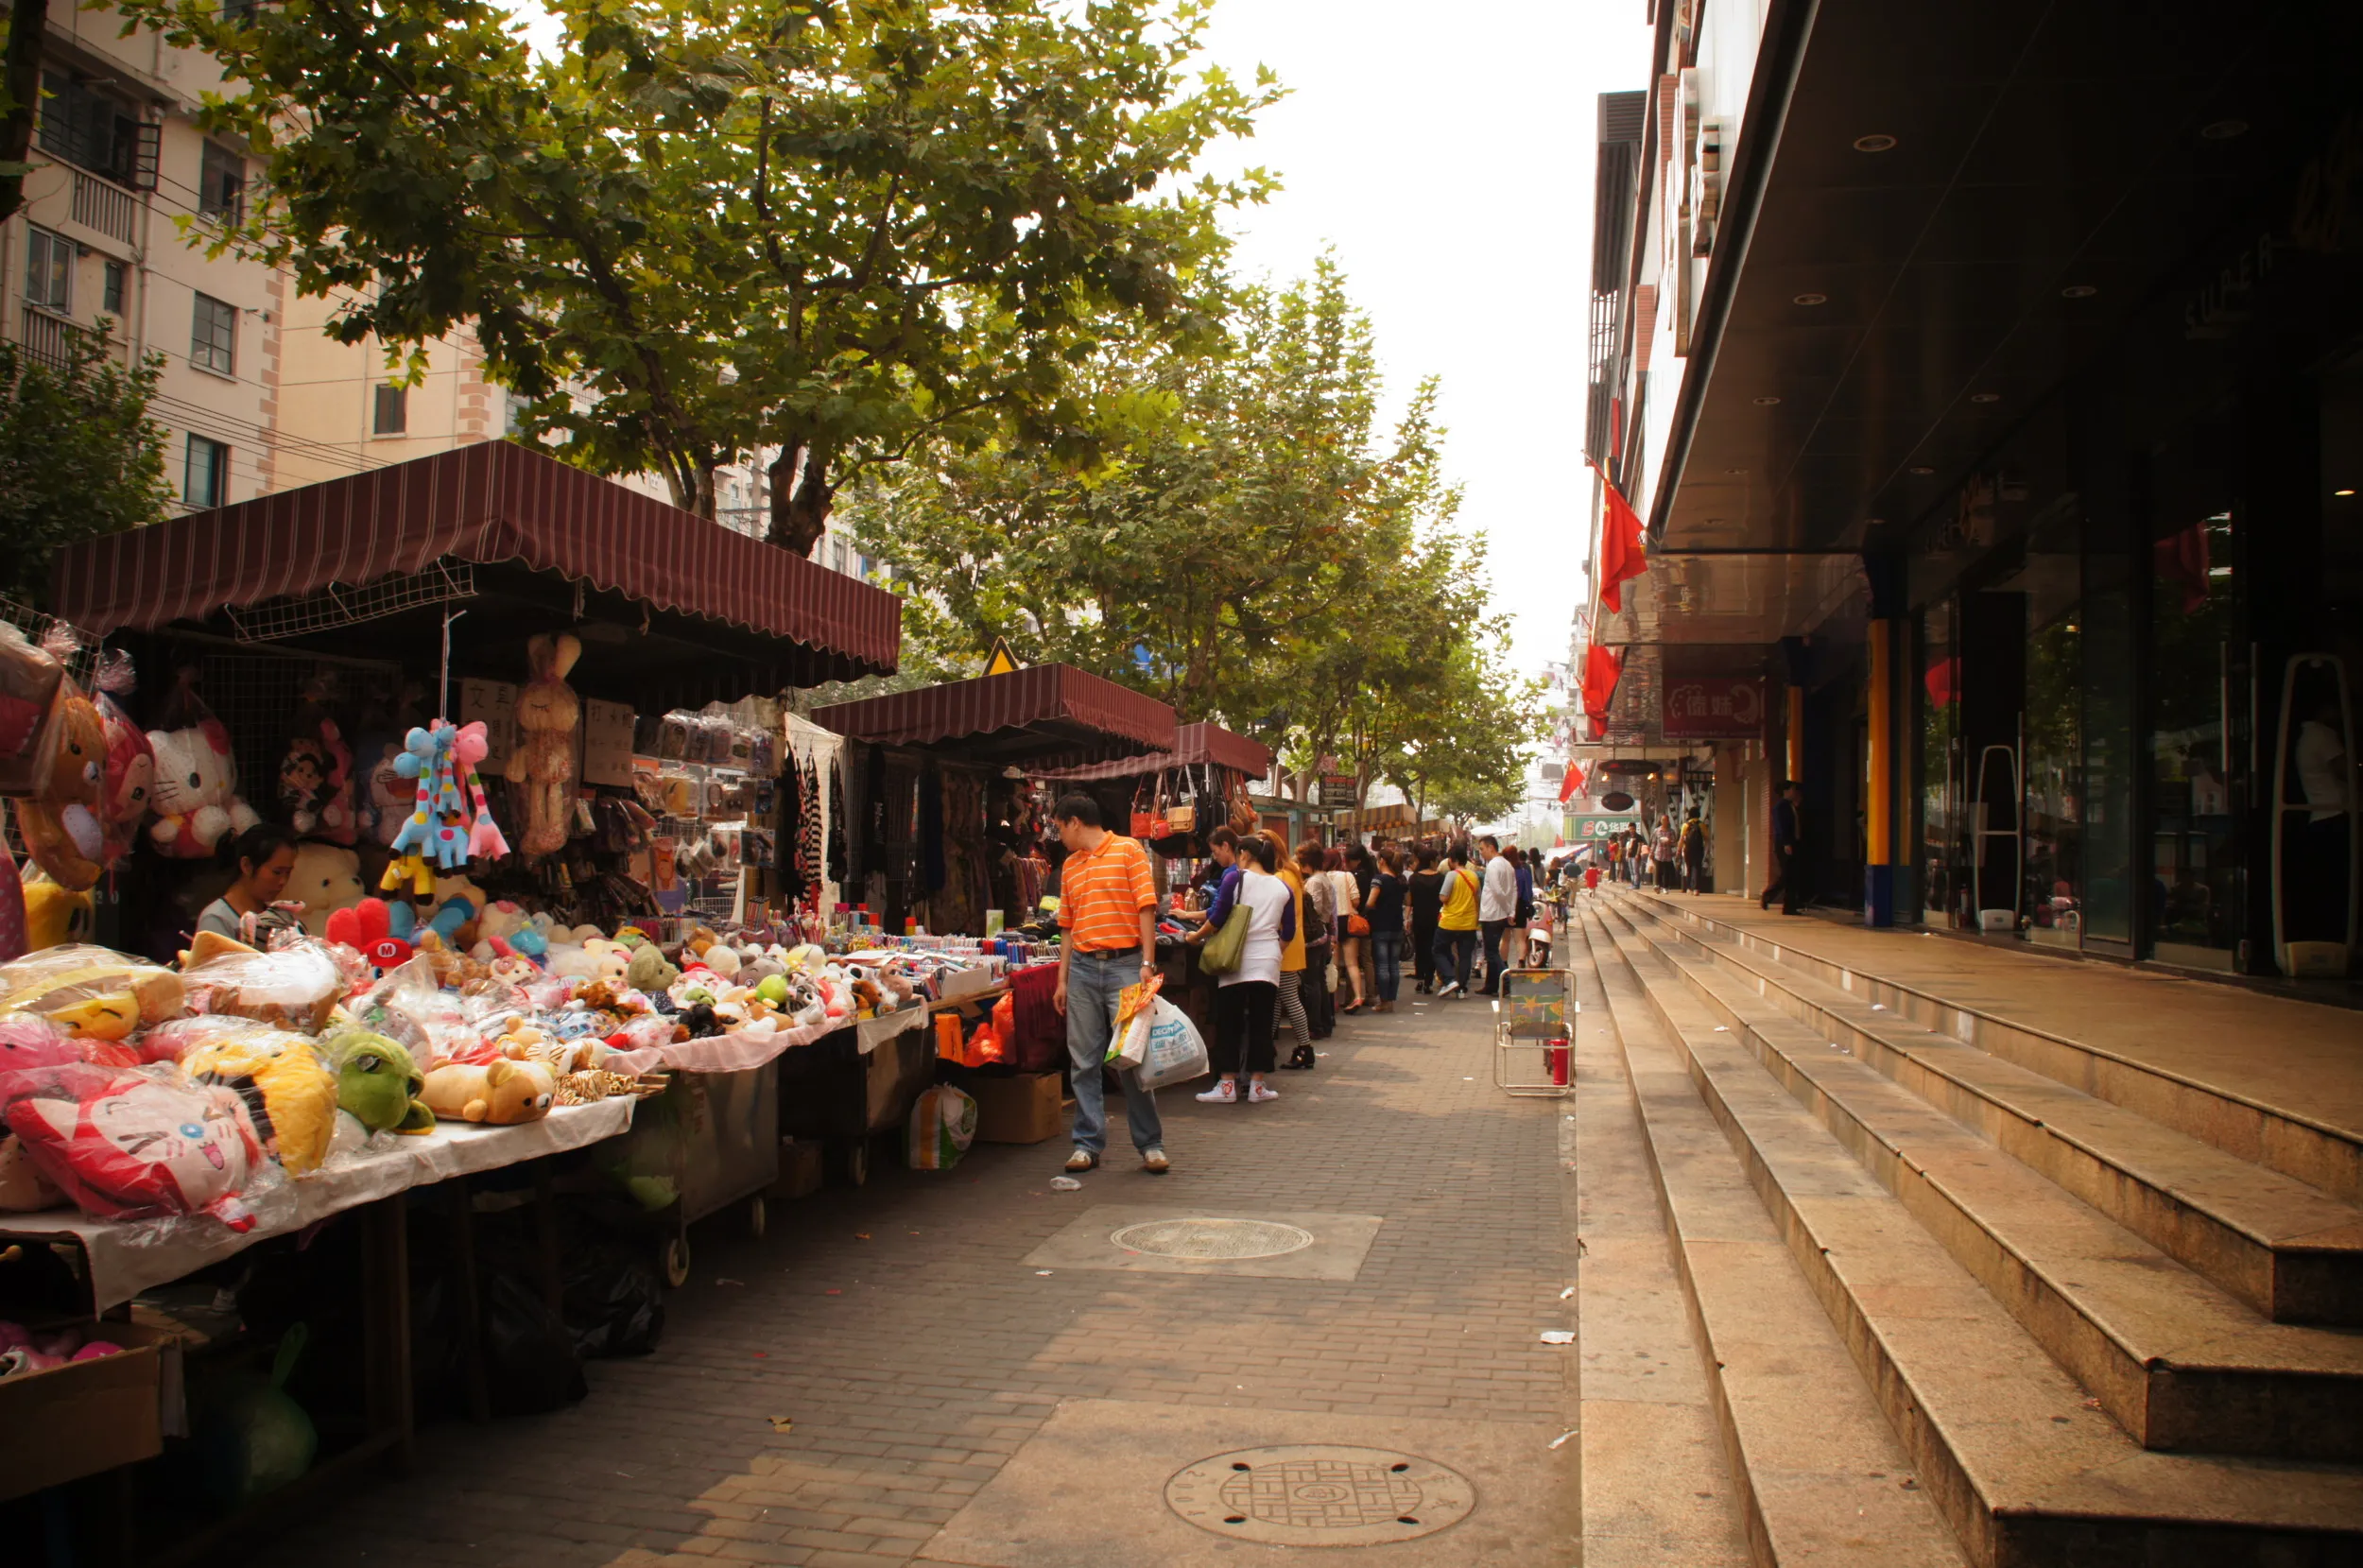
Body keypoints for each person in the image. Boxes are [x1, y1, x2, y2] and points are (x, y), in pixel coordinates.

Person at [1051, 793, 1169, 1175]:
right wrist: (1062, 979)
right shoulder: (1070, 866)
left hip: (1125, 965)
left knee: (1130, 1059)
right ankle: (1087, 1144)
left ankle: (1150, 1143)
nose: (1058, 835)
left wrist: (1148, 963)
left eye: (1058, 827)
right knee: (1083, 1061)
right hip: (1084, 969)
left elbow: (1145, 908)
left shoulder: (1129, 850)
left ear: (1073, 822)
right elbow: (1066, 927)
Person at [1193, 834, 1296, 1104]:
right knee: (1262, 1024)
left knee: (1230, 1022)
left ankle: (1227, 1086)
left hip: (1236, 962)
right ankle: (1257, 1087)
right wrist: (1272, 952)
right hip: (1268, 963)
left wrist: (1193, 937)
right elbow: (1289, 932)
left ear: (1245, 855)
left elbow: (1217, 918)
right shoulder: (1283, 888)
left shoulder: (1234, 879)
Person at [196, 824, 299, 941]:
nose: (283, 881)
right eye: (277, 872)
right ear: (247, 866)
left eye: (288, 872)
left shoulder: (281, 918)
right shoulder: (216, 920)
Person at [1274, 840, 1316, 1069]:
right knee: (1278, 1000)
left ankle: (1305, 1047)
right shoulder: (1291, 872)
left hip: (1285, 946)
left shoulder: (1282, 876)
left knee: (1289, 997)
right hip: (1291, 944)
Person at [1296, 839, 1338, 1039]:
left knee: (1311, 983)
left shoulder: (1314, 881)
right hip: (1323, 935)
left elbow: (1314, 909)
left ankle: (1315, 1025)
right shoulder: (1325, 878)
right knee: (1319, 981)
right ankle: (1325, 1022)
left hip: (1313, 937)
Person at [1363, 845, 1407, 1013]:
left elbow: (1370, 902)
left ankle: (1384, 1001)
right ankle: (1391, 1000)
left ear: (1382, 861)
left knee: (1382, 965)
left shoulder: (1378, 880)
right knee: (1394, 965)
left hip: (1381, 927)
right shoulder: (1401, 880)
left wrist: (1366, 912)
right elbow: (1408, 902)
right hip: (1397, 926)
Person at [1435, 842, 1482, 996]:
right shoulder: (1474, 876)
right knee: (1465, 956)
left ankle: (1449, 979)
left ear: (1453, 860)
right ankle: (1462, 988)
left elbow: (1443, 897)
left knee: (1438, 950)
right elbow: (1478, 898)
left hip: (1450, 922)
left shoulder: (1451, 875)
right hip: (1469, 923)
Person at [1476, 835, 1518, 995]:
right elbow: (1513, 890)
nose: (1481, 853)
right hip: (1499, 913)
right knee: (1492, 950)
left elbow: (1498, 891)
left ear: (1490, 847)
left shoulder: (1494, 865)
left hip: (1492, 914)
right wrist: (1511, 910)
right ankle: (1491, 985)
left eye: (1482, 849)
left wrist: (1508, 909)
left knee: (1492, 952)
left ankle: (1506, 981)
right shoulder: (1508, 865)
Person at [1337, 843, 1374, 1015]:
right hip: (1361, 921)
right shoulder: (1370, 873)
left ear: (1356, 860)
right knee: (1361, 960)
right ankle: (1366, 995)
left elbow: (1356, 900)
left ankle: (1346, 998)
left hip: (1351, 920)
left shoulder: (1355, 875)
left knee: (1345, 962)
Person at [1406, 847, 1445, 993]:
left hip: (1419, 917)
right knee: (1433, 949)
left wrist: (1407, 918)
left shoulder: (1414, 878)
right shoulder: (1440, 878)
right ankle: (1429, 981)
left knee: (1420, 948)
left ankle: (1420, 978)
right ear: (1431, 861)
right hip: (1437, 918)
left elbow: (1409, 901)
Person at [1763, 779, 1804, 915]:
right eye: (1793, 789)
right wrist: (1787, 842)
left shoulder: (1791, 805)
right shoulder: (1781, 806)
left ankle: (1790, 906)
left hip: (1793, 842)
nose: (1795, 792)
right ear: (1786, 791)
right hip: (1785, 844)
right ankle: (1768, 895)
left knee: (1792, 875)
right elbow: (1781, 826)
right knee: (1787, 875)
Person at [1509, 845, 1536, 965]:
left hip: (1506, 906)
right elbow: (1529, 892)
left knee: (1504, 939)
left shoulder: (1506, 872)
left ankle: (1504, 965)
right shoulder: (1524, 872)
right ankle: (1521, 961)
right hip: (1520, 906)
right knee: (1520, 939)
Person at [1682, 810, 1709, 894]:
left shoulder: (1686, 825)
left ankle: (1689, 888)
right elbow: (1706, 838)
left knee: (1689, 868)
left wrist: (1679, 850)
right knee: (1697, 868)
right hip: (1698, 849)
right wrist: (1707, 849)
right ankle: (1696, 889)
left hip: (1688, 849)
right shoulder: (1702, 825)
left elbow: (1681, 839)